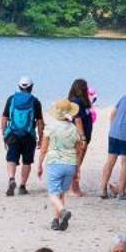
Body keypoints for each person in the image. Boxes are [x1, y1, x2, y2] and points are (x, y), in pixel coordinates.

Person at [37, 99, 81, 231]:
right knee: (61, 193)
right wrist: (77, 169)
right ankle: (56, 220)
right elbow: (78, 150)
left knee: (53, 194)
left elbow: (44, 149)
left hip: (55, 162)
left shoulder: (51, 127)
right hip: (70, 164)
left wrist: (39, 164)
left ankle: (62, 211)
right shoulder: (74, 129)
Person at [0, 76, 43, 197]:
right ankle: (22, 186)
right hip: (29, 135)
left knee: (11, 158)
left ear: (19, 87)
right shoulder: (35, 101)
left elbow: (4, 118)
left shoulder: (11, 99)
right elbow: (40, 122)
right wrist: (41, 137)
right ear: (31, 87)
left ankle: (11, 178)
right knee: (27, 161)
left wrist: (4, 134)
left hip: (13, 133)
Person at [66, 79, 94, 196]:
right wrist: (83, 137)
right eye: (85, 87)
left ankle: (70, 187)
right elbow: (77, 120)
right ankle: (74, 189)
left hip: (83, 135)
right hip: (78, 137)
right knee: (76, 163)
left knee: (77, 163)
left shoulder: (82, 102)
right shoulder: (77, 102)